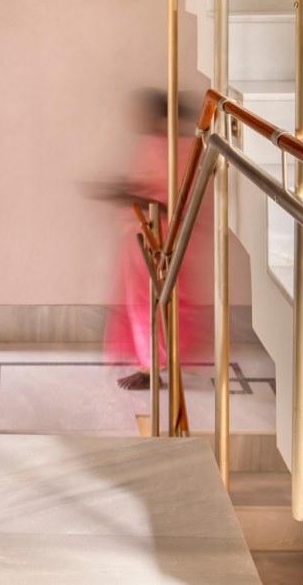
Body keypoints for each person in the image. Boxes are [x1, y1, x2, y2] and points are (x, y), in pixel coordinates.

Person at [102, 87, 209, 391]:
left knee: (148, 302)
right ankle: (153, 363)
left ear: (160, 116)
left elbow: (166, 202)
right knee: (157, 300)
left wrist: (121, 192)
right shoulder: (183, 146)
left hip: (155, 237)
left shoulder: (165, 148)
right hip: (157, 235)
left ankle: (151, 369)